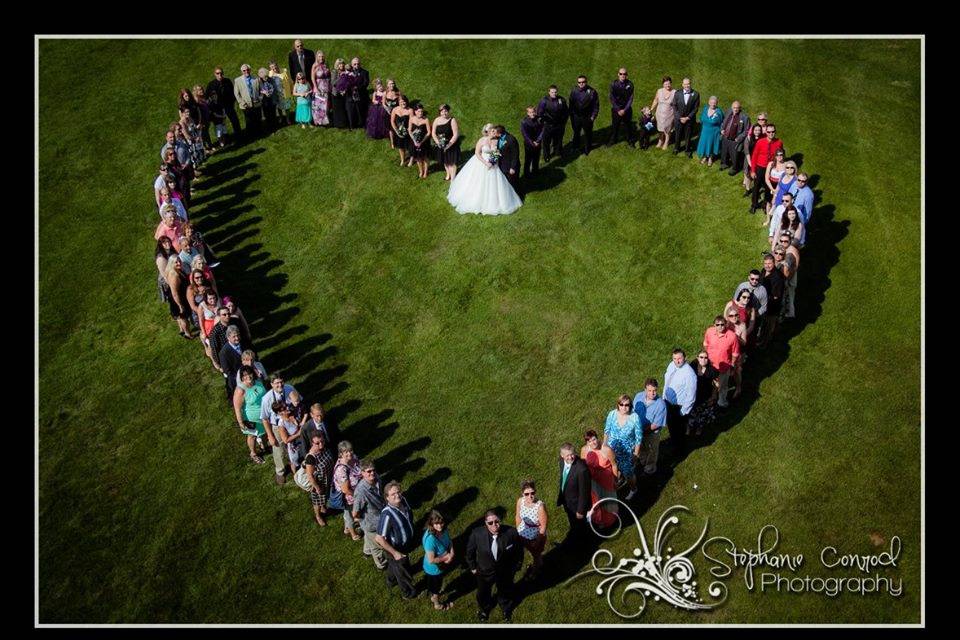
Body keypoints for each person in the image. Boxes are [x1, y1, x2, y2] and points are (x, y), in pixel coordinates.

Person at [446, 124, 523, 216]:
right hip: (481, 163)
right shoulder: (481, 140)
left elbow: (497, 152)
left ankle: (495, 201)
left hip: (493, 165)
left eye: (493, 130)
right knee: (478, 183)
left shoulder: (497, 141)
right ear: (486, 132)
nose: (491, 132)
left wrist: (493, 161)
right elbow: (477, 153)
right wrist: (486, 163)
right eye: (489, 131)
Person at [465, 509, 524, 623]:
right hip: (484, 571)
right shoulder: (477, 534)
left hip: (505, 571)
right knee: (483, 593)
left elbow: (519, 551)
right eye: (490, 523)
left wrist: (517, 566)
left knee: (505, 590)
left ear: (500, 520)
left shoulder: (511, 533)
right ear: (485, 523)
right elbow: (469, 553)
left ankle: (506, 609)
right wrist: (472, 567)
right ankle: (484, 609)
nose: (494, 525)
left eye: (496, 521)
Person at [375, 481, 418, 600]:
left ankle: (390, 580)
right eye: (393, 494)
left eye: (398, 492)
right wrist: (395, 553)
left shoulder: (403, 500)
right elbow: (379, 538)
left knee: (394, 566)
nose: (397, 495)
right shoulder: (387, 514)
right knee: (402, 572)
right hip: (394, 548)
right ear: (387, 497)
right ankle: (408, 592)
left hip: (406, 544)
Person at [260, 373, 299, 486]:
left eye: (281, 382)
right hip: (277, 426)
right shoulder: (266, 399)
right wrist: (270, 436)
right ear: (271, 384)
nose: (280, 385)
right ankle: (280, 472)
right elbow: (264, 419)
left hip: (291, 422)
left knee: (295, 444)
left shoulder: (290, 389)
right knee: (278, 449)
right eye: (276, 383)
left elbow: (299, 402)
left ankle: (297, 463)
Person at [603, 394, 642, 500]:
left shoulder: (635, 418)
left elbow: (638, 438)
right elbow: (607, 431)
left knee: (628, 474)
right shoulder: (612, 414)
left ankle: (633, 489)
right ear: (618, 405)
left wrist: (636, 454)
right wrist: (604, 446)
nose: (624, 407)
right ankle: (617, 482)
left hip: (626, 453)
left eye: (627, 405)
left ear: (630, 405)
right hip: (612, 450)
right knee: (612, 470)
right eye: (622, 404)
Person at [352, 460, 388, 569]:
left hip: (380, 516)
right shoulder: (361, 491)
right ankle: (381, 565)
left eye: (373, 470)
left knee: (369, 539)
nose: (372, 473)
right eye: (368, 471)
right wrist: (361, 520)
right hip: (371, 524)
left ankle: (366, 551)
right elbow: (355, 512)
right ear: (362, 473)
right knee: (378, 547)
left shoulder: (377, 478)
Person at [579, 430, 619, 530]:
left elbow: (614, 465)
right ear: (586, 443)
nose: (593, 443)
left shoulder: (607, 450)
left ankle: (611, 519)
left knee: (609, 501)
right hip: (593, 481)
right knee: (596, 501)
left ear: (597, 438)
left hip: (607, 479)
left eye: (594, 439)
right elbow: (583, 466)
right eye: (590, 441)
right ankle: (599, 520)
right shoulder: (584, 450)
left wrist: (615, 480)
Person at [556, 443, 592, 548]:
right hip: (567, 501)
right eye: (567, 455)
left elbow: (584, 492)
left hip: (577, 505)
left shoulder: (582, 470)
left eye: (572, 454)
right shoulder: (561, 462)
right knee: (573, 524)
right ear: (562, 455)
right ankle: (576, 540)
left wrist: (580, 510)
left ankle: (582, 546)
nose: (570, 457)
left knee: (580, 526)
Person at [663, 348, 697, 454]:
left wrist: (683, 412)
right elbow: (667, 381)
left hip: (678, 408)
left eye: (679, 358)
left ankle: (680, 450)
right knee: (671, 426)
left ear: (685, 358)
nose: (677, 361)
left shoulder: (689, 374)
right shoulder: (671, 365)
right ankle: (674, 442)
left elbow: (691, 396)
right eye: (674, 358)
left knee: (679, 430)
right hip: (667, 403)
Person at [703, 315, 740, 409]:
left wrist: (732, 365)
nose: (720, 327)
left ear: (726, 325)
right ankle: (713, 396)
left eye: (722, 324)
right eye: (717, 325)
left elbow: (735, 354)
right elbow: (706, 344)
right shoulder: (709, 332)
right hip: (711, 365)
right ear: (714, 325)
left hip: (724, 367)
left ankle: (721, 402)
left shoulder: (732, 336)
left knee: (723, 386)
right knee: (712, 382)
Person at [633, 379, 668, 479]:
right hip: (639, 430)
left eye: (654, 390)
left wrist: (641, 431)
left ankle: (650, 468)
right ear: (645, 390)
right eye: (649, 390)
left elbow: (656, 425)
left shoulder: (661, 405)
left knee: (652, 450)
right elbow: (633, 411)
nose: (652, 393)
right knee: (642, 448)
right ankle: (643, 461)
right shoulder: (638, 396)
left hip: (652, 433)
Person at [233, 366, 268, 465]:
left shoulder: (259, 383)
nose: (248, 376)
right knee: (252, 436)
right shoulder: (240, 390)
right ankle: (253, 453)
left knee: (265, 432)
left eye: (249, 374)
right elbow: (237, 408)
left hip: (264, 415)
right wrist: (241, 422)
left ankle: (264, 447)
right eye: (244, 375)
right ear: (241, 377)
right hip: (251, 419)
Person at [421, 510, 455, 611]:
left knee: (434, 585)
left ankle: (433, 593)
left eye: (441, 523)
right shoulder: (430, 540)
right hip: (434, 570)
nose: (440, 526)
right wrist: (447, 558)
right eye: (436, 523)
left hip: (440, 565)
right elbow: (431, 560)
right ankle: (437, 604)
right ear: (431, 523)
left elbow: (449, 542)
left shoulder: (443, 530)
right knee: (436, 588)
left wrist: (452, 553)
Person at [330, 440, 363, 541]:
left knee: (348, 514)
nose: (350, 453)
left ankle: (346, 529)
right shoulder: (342, 470)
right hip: (348, 497)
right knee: (349, 515)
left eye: (351, 450)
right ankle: (353, 533)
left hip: (356, 491)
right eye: (346, 452)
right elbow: (345, 490)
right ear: (341, 454)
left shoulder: (354, 457)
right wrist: (358, 495)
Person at [514, 479, 547, 580]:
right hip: (523, 531)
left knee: (536, 555)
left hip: (535, 535)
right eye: (526, 494)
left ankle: (535, 571)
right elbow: (518, 516)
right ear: (522, 494)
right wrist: (518, 530)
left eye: (532, 493)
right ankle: (539, 563)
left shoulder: (540, 507)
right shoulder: (520, 501)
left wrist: (537, 541)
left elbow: (543, 526)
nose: (530, 496)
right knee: (530, 552)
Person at [724, 294, 753, 398]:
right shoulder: (725, 325)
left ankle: (738, 387)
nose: (734, 317)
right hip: (727, 352)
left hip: (738, 352)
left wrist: (736, 336)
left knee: (737, 370)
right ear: (727, 317)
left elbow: (744, 343)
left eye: (736, 315)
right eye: (731, 316)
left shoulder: (742, 325)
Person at [750, 123, 784, 214]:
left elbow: (781, 156)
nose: (771, 133)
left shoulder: (779, 142)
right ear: (766, 132)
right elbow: (754, 156)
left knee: (768, 188)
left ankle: (766, 205)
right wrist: (753, 170)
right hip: (760, 167)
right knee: (756, 187)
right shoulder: (760, 142)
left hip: (771, 169)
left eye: (773, 132)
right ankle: (754, 205)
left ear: (775, 132)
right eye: (768, 132)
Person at [303, 434, 334, 527]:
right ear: (312, 443)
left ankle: (323, 506)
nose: (321, 445)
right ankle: (318, 515)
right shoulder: (311, 458)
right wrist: (316, 487)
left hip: (328, 478)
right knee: (317, 500)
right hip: (318, 482)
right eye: (317, 443)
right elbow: (310, 475)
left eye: (322, 441)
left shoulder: (325, 448)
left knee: (325, 496)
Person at [687, 350, 720, 436]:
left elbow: (716, 384)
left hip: (705, 395)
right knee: (691, 412)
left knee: (702, 414)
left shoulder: (712, 370)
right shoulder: (692, 367)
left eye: (706, 357)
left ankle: (699, 428)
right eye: (701, 357)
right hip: (693, 395)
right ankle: (689, 427)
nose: (703, 359)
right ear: (697, 358)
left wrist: (714, 396)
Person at [206, 67, 241, 142]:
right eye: (217, 73)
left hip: (228, 106)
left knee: (235, 121)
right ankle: (224, 140)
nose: (220, 75)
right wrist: (212, 108)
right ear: (214, 74)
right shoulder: (211, 85)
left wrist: (232, 103)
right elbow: (207, 97)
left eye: (221, 73)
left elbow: (233, 93)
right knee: (220, 125)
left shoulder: (227, 81)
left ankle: (239, 136)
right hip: (218, 108)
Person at [758, 253, 785, 347]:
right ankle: (761, 340)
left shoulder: (778, 278)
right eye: (765, 263)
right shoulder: (763, 271)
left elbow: (776, 297)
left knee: (768, 327)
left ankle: (764, 344)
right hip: (763, 304)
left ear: (774, 263)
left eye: (770, 263)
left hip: (772, 307)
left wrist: (764, 302)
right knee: (762, 325)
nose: (767, 266)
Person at [569, 75, 599, 155]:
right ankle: (575, 146)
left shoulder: (592, 92)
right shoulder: (574, 91)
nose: (581, 84)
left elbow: (596, 106)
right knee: (576, 132)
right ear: (577, 83)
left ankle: (587, 148)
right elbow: (571, 104)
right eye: (579, 82)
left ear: (586, 82)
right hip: (576, 116)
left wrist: (593, 117)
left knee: (588, 133)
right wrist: (572, 116)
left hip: (587, 117)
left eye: (583, 82)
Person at [537, 85, 569, 161]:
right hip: (548, 125)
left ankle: (557, 152)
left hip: (559, 125)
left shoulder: (561, 100)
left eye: (555, 92)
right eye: (552, 92)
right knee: (546, 142)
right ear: (549, 92)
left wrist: (563, 122)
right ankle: (546, 156)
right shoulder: (544, 101)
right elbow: (539, 113)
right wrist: (544, 122)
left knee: (558, 140)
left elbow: (566, 112)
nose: (554, 94)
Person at [163, 255, 193, 338]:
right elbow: (175, 293)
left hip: (179, 296)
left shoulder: (175, 270)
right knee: (184, 317)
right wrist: (180, 305)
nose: (179, 263)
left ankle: (183, 330)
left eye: (179, 260)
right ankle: (188, 334)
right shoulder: (174, 275)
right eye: (176, 262)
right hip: (178, 299)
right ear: (172, 263)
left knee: (181, 317)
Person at [719, 100, 751, 174]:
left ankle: (735, 168)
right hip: (725, 137)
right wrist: (722, 130)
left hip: (735, 140)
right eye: (734, 107)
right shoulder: (728, 112)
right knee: (724, 152)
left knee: (734, 155)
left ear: (740, 108)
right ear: (731, 107)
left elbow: (747, 130)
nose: (735, 109)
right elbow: (723, 122)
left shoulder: (744, 117)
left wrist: (739, 138)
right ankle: (724, 164)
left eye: (737, 108)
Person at [219, 325, 248, 401]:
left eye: (238, 335)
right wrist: (242, 378)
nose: (237, 338)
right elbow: (228, 372)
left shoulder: (245, 343)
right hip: (236, 381)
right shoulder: (224, 353)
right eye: (234, 336)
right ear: (228, 337)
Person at [432, 104, 461, 181]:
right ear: (439, 112)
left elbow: (456, 134)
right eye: (442, 111)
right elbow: (433, 133)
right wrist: (438, 142)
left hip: (451, 144)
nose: (444, 113)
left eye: (446, 111)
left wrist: (449, 145)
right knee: (445, 160)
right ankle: (448, 173)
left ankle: (453, 179)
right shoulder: (436, 120)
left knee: (452, 162)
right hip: (441, 144)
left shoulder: (452, 120)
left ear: (448, 111)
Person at [672, 77, 700, 157]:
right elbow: (674, 106)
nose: (687, 85)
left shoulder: (696, 94)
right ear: (682, 85)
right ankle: (676, 148)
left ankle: (687, 150)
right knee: (678, 134)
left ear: (690, 84)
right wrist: (679, 117)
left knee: (688, 135)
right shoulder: (677, 93)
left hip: (689, 120)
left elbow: (696, 108)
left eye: (688, 84)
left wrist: (688, 117)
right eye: (685, 84)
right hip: (678, 119)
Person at [775, 234, 801, 320]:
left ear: (790, 241)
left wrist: (787, 280)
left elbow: (794, 267)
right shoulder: (782, 250)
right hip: (787, 278)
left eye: (785, 241)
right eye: (781, 241)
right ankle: (788, 314)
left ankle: (788, 315)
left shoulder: (790, 253)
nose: (783, 243)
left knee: (788, 297)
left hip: (790, 278)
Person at [273, 403, 304, 476]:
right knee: (295, 462)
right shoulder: (281, 424)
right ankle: (296, 476)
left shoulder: (292, 414)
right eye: (283, 409)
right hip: (293, 446)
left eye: (286, 406)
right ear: (279, 413)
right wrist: (298, 434)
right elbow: (285, 440)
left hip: (301, 441)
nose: (287, 409)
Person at [608, 68, 636, 147]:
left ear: (627, 75)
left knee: (628, 126)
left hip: (626, 109)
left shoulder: (630, 84)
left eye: (624, 74)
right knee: (615, 126)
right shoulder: (613, 84)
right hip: (616, 109)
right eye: (621, 74)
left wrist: (625, 109)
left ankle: (630, 140)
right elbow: (612, 98)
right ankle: (613, 140)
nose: (622, 75)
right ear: (618, 74)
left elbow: (631, 98)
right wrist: (618, 109)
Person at [233, 64, 262, 139]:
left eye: (248, 70)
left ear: (250, 70)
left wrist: (260, 98)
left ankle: (260, 134)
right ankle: (250, 136)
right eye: (244, 70)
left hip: (256, 103)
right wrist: (242, 103)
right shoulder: (237, 80)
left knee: (258, 119)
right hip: (245, 105)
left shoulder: (256, 79)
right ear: (242, 71)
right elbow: (236, 93)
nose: (246, 72)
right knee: (249, 121)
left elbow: (261, 90)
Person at [650, 75, 676, 150]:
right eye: (665, 84)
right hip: (659, 114)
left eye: (668, 83)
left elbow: (677, 104)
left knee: (667, 129)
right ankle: (660, 141)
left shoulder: (674, 92)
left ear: (671, 83)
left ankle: (666, 142)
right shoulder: (659, 91)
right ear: (663, 84)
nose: (667, 85)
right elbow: (656, 100)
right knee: (660, 128)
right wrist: (651, 109)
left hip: (669, 114)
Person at [696, 96, 723, 166]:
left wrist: (721, 130)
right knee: (705, 144)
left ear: (717, 103)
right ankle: (705, 156)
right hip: (705, 130)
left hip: (714, 131)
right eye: (711, 102)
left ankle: (711, 158)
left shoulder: (719, 112)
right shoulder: (705, 109)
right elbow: (701, 118)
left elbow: (722, 122)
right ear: (709, 102)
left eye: (715, 103)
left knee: (711, 144)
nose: (713, 104)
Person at [762, 148, 788, 222]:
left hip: (780, 186)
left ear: (784, 155)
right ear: (775, 156)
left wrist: (777, 191)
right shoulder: (771, 164)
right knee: (768, 202)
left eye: (781, 155)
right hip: (770, 185)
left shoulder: (786, 165)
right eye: (777, 155)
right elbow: (766, 178)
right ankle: (768, 219)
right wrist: (772, 189)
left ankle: (777, 219)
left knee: (777, 203)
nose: (779, 156)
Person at [408, 103, 432, 179]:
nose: (420, 113)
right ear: (415, 111)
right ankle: (421, 171)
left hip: (424, 142)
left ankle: (425, 172)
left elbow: (428, 132)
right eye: (418, 111)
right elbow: (409, 130)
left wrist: (421, 141)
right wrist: (414, 140)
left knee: (425, 157)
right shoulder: (412, 119)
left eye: (421, 111)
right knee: (418, 158)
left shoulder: (426, 120)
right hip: (414, 141)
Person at [495, 125, 522, 194]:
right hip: (503, 165)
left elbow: (515, 155)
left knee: (514, 183)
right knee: (507, 183)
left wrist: (513, 167)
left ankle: (518, 196)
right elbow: (498, 150)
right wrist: (492, 160)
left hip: (510, 166)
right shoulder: (499, 139)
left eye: (495, 132)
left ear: (499, 133)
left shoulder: (511, 139)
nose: (494, 134)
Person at [520, 106, 544, 178]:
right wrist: (532, 143)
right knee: (528, 159)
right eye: (530, 112)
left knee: (536, 158)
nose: (532, 114)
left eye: (533, 112)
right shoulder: (524, 122)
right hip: (529, 144)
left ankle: (535, 171)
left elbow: (543, 130)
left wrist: (538, 141)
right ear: (527, 113)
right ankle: (526, 174)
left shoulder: (539, 119)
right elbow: (525, 135)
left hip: (538, 142)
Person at [390, 94, 413, 167]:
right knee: (400, 147)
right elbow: (392, 121)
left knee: (410, 147)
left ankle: (411, 160)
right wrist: (396, 131)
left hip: (407, 131)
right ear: (398, 102)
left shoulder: (410, 110)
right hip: (398, 132)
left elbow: (411, 122)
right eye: (401, 102)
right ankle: (402, 159)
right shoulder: (395, 109)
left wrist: (407, 130)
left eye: (404, 102)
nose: (403, 103)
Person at [742, 123, 765, 197]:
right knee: (748, 175)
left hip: (759, 160)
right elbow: (747, 152)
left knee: (757, 176)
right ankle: (748, 189)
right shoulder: (748, 138)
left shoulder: (763, 139)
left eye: (759, 130)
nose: (757, 131)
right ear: (753, 130)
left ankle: (756, 190)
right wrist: (750, 163)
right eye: (756, 130)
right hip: (749, 159)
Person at [269, 61, 293, 125]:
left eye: (275, 66)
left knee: (287, 107)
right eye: (272, 68)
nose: (274, 68)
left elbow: (289, 80)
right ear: (270, 68)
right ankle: (281, 117)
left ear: (277, 65)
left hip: (285, 92)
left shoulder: (284, 70)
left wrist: (292, 88)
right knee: (279, 107)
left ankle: (288, 119)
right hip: (277, 94)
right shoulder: (270, 74)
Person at [310, 51, 331, 126]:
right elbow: (312, 78)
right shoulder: (315, 65)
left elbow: (329, 76)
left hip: (326, 87)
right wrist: (315, 87)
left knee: (325, 104)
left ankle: (325, 120)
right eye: (319, 56)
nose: (321, 58)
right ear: (317, 57)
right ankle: (318, 121)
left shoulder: (326, 64)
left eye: (322, 56)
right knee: (318, 105)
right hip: (319, 87)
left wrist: (330, 86)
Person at [348, 57, 371, 123]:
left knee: (361, 109)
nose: (356, 65)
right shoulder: (349, 73)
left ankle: (363, 122)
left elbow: (366, 83)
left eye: (358, 64)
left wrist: (357, 88)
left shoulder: (365, 72)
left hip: (361, 94)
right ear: (352, 65)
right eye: (354, 64)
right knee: (353, 109)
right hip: (351, 94)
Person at [330, 58, 349, 129]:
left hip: (344, 93)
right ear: (337, 65)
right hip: (336, 93)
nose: (341, 65)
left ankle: (344, 124)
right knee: (337, 110)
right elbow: (333, 83)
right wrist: (341, 76)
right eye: (340, 64)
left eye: (343, 63)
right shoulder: (334, 72)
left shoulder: (345, 71)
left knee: (343, 109)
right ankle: (338, 124)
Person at [256, 67, 277, 132]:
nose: (266, 78)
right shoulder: (258, 81)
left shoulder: (271, 80)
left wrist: (269, 93)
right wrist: (263, 92)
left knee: (273, 113)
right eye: (264, 77)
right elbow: (257, 90)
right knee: (266, 114)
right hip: (264, 101)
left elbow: (273, 88)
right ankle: (269, 127)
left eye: (266, 76)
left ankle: (274, 127)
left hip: (271, 99)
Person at [383, 79, 401, 149]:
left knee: (397, 126)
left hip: (396, 113)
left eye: (393, 83)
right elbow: (383, 103)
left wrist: (397, 111)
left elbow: (400, 103)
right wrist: (387, 109)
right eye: (390, 84)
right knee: (391, 129)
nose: (392, 85)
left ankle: (398, 140)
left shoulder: (398, 93)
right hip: (388, 113)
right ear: (387, 85)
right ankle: (392, 143)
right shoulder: (385, 93)